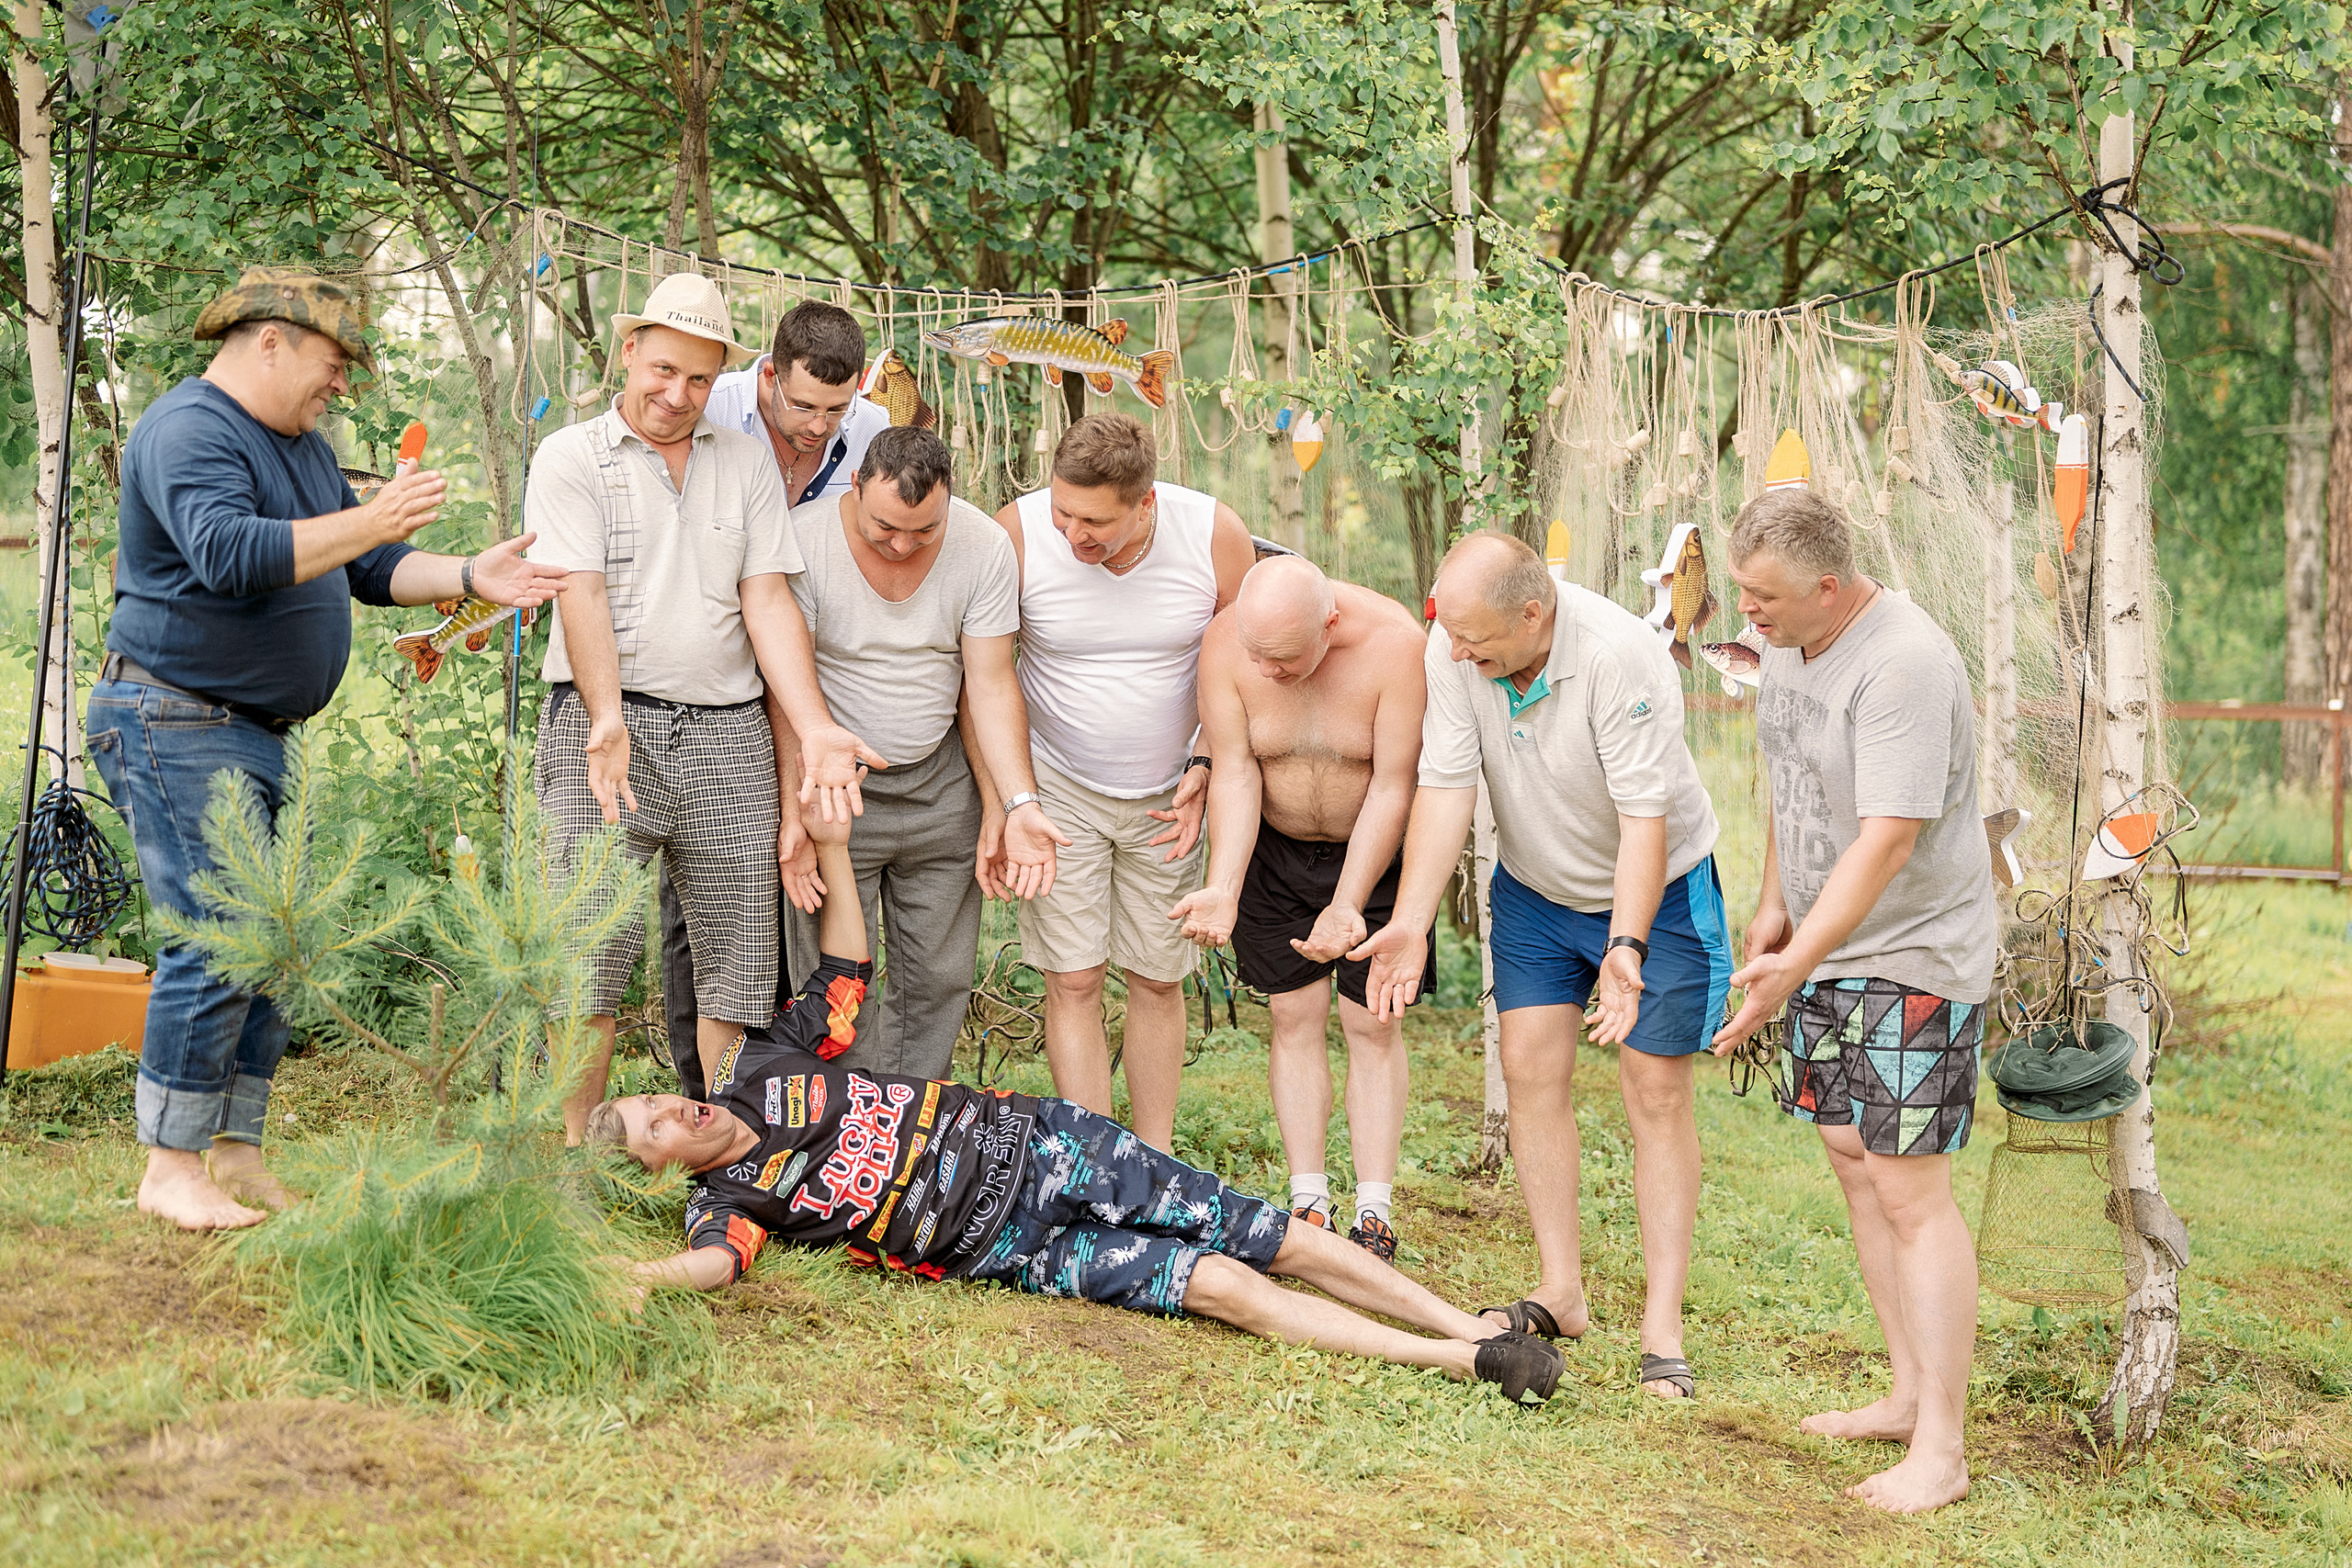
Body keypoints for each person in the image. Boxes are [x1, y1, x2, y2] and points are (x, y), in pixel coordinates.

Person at [586, 809, 1568, 1408]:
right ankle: (1450, 1359)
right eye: (655, 1131)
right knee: (1221, 1288)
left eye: (655, 1098)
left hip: (1050, 1143)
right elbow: (712, 1266)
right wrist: (641, 1277)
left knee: (1271, 1237)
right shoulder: (732, 1203)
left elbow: (847, 972)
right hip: (1014, 1249)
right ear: (669, 1169)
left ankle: (1472, 1323)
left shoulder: (761, 1065)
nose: (675, 1109)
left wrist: (838, 850)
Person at [89, 265, 569, 1230]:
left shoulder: (304, 447)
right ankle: (169, 1166)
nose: (342, 380)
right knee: (218, 937)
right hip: (175, 715)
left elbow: (374, 565)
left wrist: (475, 572)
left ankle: (237, 1153)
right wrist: (371, 516)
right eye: (332, 358)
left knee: (272, 943)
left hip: (251, 731)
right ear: (269, 339)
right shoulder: (188, 430)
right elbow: (228, 554)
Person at [1352, 531, 1730, 1402]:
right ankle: (1563, 1290)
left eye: (1472, 636)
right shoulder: (1456, 647)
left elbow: (1647, 820)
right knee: (1529, 1069)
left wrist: (1625, 948)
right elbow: (1447, 787)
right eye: (1447, 631)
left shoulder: (1622, 658)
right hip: (1532, 885)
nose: (1453, 651)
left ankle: (1662, 1329)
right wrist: (1410, 922)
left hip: (1660, 891)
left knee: (1656, 1090)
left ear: (1536, 612)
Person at [524, 274, 882, 1143]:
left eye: (697, 378)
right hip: (602, 728)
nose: (676, 395)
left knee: (737, 967)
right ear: (630, 351)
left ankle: (721, 1151)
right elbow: (580, 592)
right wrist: (606, 716)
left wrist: (815, 725)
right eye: (663, 370)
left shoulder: (745, 459)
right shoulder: (572, 456)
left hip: (727, 734)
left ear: (726, 373)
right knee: (587, 958)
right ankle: (575, 1160)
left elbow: (766, 601)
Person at [1712, 489, 1995, 1515]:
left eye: (1766, 597)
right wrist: (1772, 913)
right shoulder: (1789, 647)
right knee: (1853, 1159)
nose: (1751, 617)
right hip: (1826, 947)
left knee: (1910, 1187)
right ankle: (1909, 1395)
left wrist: (1797, 963)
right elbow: (1791, 785)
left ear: (1829, 587)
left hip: (1913, 951)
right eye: (1744, 593)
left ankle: (1944, 1450)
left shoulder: (1904, 662)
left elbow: (1887, 838)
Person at [987, 413, 1256, 1152]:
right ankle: (1095, 1157)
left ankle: (1154, 1159)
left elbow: (1247, 664)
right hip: (1056, 789)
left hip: (1171, 795)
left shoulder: (1212, 534)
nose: (1074, 534)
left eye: (1095, 522)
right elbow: (986, 675)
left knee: (1157, 976)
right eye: (1063, 511)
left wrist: (1206, 755)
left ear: (1147, 503)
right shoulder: (1015, 532)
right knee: (1073, 979)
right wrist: (1012, 801)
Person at [769, 425, 1069, 1078]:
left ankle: (914, 1122)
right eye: (886, 528)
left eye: (924, 531)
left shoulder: (982, 544)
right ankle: (849, 1124)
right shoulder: (804, 537)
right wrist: (794, 815)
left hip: (940, 785)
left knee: (938, 974)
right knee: (839, 978)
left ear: (950, 501)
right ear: (855, 486)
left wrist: (1011, 802)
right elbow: (788, 688)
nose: (903, 545)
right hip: (834, 790)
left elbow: (988, 681)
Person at [656, 302, 900, 1094]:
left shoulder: (871, 429)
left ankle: (783, 1089)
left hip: (807, 663)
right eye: (802, 406)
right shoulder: (711, 406)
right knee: (708, 893)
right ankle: (708, 1098)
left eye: (838, 409)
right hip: (716, 666)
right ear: (767, 375)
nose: (819, 426)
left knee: (778, 891)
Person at [1167, 555, 1429, 1257]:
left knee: (1371, 1020)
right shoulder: (1230, 643)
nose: (1267, 672)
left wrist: (1349, 900)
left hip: (1372, 846)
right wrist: (1224, 882)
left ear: (1330, 625)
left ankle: (1375, 1213)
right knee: (1294, 1014)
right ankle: (1308, 1200)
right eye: (1258, 655)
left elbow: (1394, 783)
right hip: (1274, 847)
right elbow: (1237, 767)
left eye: (1282, 659)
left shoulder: (1397, 645)